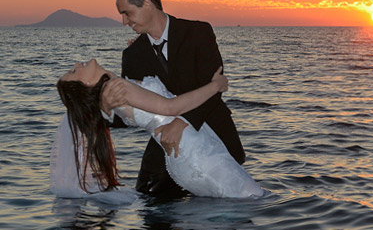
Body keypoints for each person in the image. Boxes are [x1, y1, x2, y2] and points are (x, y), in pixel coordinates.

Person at [103, 0, 245, 197]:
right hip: (166, 146)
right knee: (148, 198)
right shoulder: (132, 55)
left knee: (222, 213)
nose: (123, 21)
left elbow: (214, 88)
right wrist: (107, 109)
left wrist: (182, 122)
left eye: (127, 13)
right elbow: (134, 113)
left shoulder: (198, 32)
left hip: (215, 135)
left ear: (148, 4)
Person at [53, 58, 266, 199]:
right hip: (195, 153)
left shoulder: (113, 92)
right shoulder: (117, 89)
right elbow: (170, 107)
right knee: (251, 197)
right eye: (74, 71)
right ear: (86, 84)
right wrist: (216, 86)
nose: (76, 64)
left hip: (185, 155)